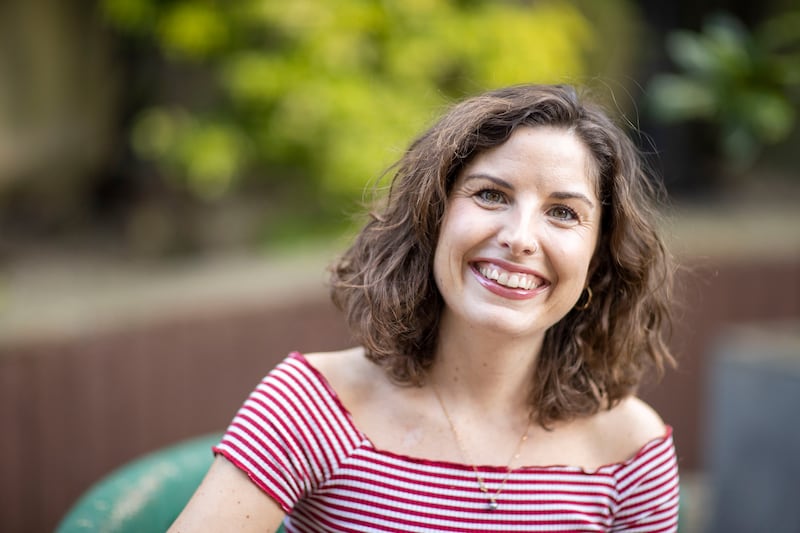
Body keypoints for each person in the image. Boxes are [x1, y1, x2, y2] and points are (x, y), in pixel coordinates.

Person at [170, 84, 679, 532]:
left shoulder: (632, 452)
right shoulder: (312, 407)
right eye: (491, 196)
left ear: (598, 260)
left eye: (563, 213)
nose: (520, 238)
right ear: (433, 219)